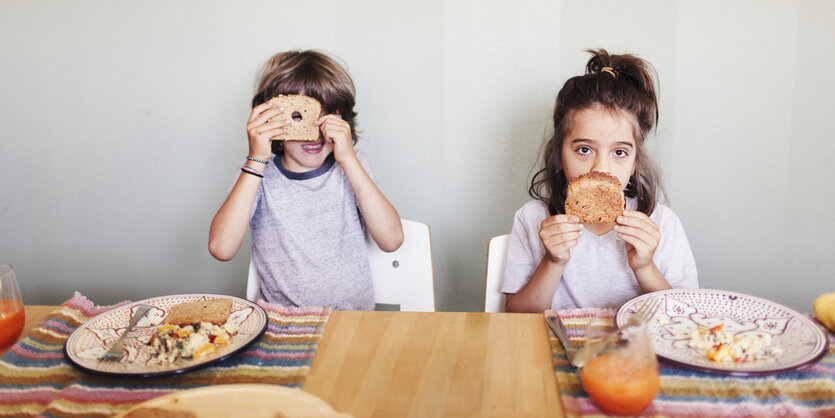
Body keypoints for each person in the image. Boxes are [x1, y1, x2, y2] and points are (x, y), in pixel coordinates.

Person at [503, 49, 698, 312]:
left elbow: (685, 317)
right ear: (559, 155)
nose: (601, 169)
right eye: (584, 149)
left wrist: (644, 266)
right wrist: (553, 261)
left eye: (619, 152)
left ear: (635, 162)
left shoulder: (662, 224)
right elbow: (517, 315)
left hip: (634, 349)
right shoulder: (532, 219)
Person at [209, 50, 404, 310]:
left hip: (352, 322)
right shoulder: (256, 175)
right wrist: (256, 159)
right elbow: (222, 248)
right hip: (284, 325)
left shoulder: (352, 166)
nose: (315, 134)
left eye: (327, 117)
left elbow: (391, 240)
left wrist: (349, 161)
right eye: (299, 118)